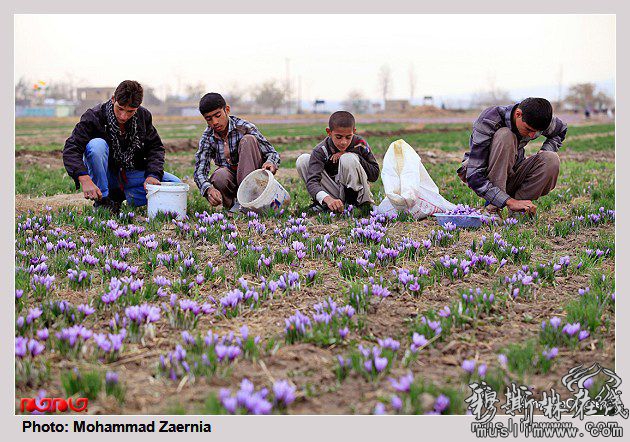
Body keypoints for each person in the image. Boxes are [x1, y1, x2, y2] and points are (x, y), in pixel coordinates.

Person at [63, 80, 181, 214]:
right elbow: (71, 148)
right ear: (113, 99)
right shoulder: (94, 116)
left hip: (130, 173)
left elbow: (155, 147)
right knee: (96, 146)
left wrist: (153, 175)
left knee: (174, 183)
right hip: (105, 174)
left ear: (138, 107)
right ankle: (103, 200)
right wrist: (83, 178)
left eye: (130, 111)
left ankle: (121, 198)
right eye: (120, 108)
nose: (123, 116)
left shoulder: (143, 116)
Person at [457, 97, 567, 216]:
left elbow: (561, 130)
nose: (532, 135)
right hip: (485, 174)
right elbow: (474, 175)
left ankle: (519, 209)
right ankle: (492, 208)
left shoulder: (539, 120)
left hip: (514, 169)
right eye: (529, 129)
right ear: (518, 114)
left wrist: (546, 150)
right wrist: (509, 201)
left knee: (551, 159)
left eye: (537, 132)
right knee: (506, 136)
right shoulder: (489, 120)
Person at [193, 93, 280, 211]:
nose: (214, 122)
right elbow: (199, 171)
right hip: (231, 182)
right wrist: (208, 189)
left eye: (218, 115)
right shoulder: (207, 137)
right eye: (209, 119)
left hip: (254, 181)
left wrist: (270, 162)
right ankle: (233, 206)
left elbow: (272, 153)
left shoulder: (244, 127)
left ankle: (247, 204)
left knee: (248, 140)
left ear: (227, 110)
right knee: (219, 176)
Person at [296, 111, 379, 213]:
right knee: (303, 160)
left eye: (348, 137)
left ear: (354, 131)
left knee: (348, 158)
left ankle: (356, 206)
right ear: (329, 132)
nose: (343, 142)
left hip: (358, 194)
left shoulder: (360, 144)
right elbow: (312, 181)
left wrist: (352, 155)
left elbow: (374, 175)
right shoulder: (321, 150)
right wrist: (326, 198)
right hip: (335, 193)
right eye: (338, 137)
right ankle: (325, 203)